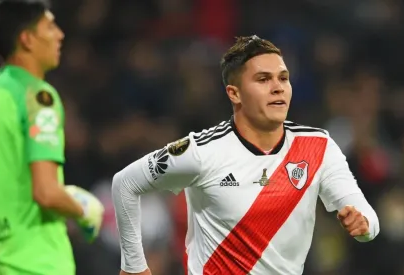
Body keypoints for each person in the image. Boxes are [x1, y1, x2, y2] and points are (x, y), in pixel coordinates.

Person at [111, 35, 379, 275]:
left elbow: (364, 212)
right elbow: (126, 183)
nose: (278, 87)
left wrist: (363, 224)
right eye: (263, 79)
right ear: (235, 93)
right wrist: (134, 266)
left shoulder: (318, 146)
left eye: (283, 78)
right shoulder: (202, 151)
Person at [0, 1, 104, 275]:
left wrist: (7, 206)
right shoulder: (38, 98)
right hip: (36, 262)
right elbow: (46, 193)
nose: (60, 34)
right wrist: (82, 208)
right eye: (50, 26)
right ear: (27, 39)